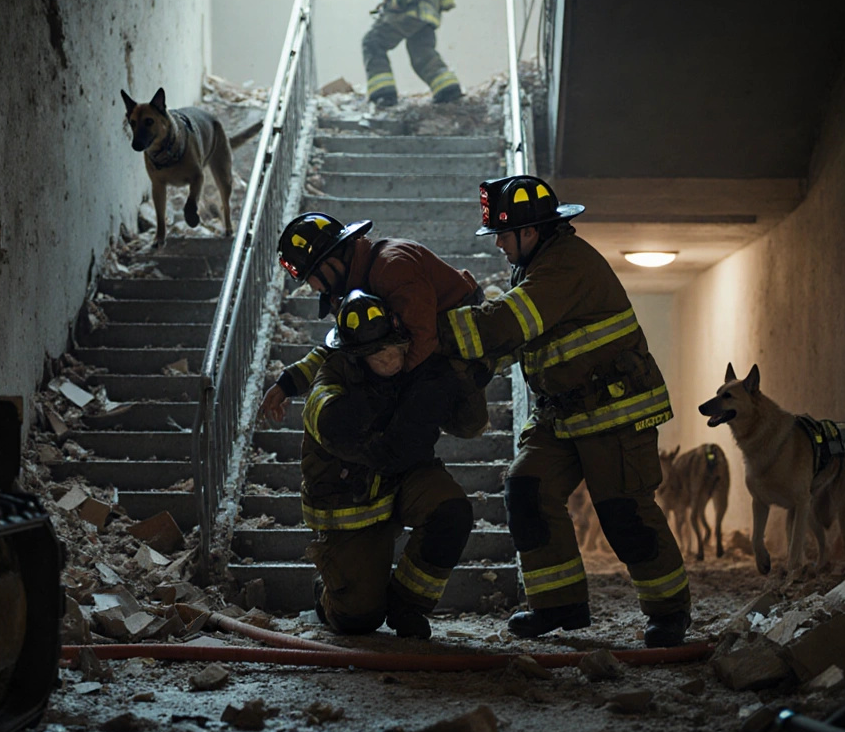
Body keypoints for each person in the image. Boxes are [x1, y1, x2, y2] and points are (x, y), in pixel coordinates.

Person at [438, 175, 693, 647]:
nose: (497, 244)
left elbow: (512, 321)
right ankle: (559, 606)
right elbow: (525, 340)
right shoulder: (537, 265)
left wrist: (437, 326)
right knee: (527, 488)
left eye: (502, 234)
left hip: (616, 411)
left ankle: (670, 612)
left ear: (530, 232)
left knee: (624, 513)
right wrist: (472, 369)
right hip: (563, 414)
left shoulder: (567, 266)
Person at [302, 290, 472, 639]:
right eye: (380, 354)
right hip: (353, 503)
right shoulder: (332, 379)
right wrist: (380, 401)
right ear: (356, 357)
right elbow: (334, 425)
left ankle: (406, 605)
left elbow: (468, 423)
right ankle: (328, 594)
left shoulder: (413, 368)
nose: (393, 360)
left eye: (396, 347)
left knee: (451, 511)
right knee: (358, 621)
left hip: (402, 480)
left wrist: (460, 385)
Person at [260, 212, 488, 438]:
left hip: (452, 349)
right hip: (424, 351)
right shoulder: (354, 287)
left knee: (424, 414)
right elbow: (344, 349)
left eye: (311, 278)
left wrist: (384, 391)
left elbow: (423, 341)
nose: (312, 288)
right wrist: (288, 384)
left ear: (329, 264)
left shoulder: (392, 269)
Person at [363, 0, 461, 107]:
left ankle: (383, 94)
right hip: (428, 14)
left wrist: (396, 1)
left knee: (373, 42)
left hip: (409, 9)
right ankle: (447, 88)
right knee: (422, 52)